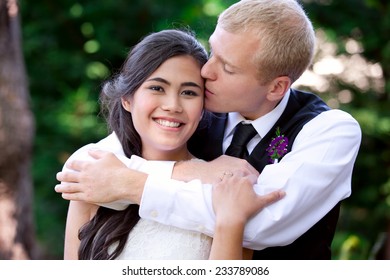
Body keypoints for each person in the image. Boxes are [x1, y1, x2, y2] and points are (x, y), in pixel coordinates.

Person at [56, 0, 362, 259]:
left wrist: (131, 184)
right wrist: (197, 172)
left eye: (227, 67)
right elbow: (88, 168)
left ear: (276, 87)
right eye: (212, 51)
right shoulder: (193, 112)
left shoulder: (329, 130)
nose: (205, 70)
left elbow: (257, 225)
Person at [61, 29, 284, 260]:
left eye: (189, 92)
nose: (173, 105)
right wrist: (191, 171)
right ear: (127, 99)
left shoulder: (223, 186)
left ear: (202, 109)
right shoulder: (95, 174)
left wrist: (230, 219)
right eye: (157, 88)